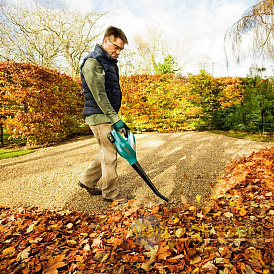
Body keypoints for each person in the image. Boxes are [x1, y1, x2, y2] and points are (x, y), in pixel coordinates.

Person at [79, 26, 129, 203]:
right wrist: (115, 118)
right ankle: (110, 193)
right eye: (116, 47)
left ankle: (87, 180)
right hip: (99, 115)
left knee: (106, 150)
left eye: (121, 49)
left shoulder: (107, 62)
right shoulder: (93, 62)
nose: (118, 52)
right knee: (109, 153)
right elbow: (98, 95)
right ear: (106, 40)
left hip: (105, 114)